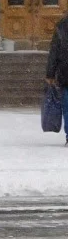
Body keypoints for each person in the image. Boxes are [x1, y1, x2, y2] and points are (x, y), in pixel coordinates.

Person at [46, 13, 68, 144]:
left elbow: (54, 51)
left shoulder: (62, 25)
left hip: (65, 71)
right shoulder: (62, 25)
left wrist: (50, 73)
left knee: (67, 107)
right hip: (65, 72)